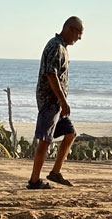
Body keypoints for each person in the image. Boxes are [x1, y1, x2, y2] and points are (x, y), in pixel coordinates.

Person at [27, 16, 84, 189]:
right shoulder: (56, 47)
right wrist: (62, 100)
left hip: (57, 103)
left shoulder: (62, 47)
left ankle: (55, 172)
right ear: (70, 29)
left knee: (70, 134)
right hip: (50, 102)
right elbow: (51, 75)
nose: (79, 38)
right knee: (45, 140)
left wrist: (62, 102)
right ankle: (34, 181)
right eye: (79, 33)